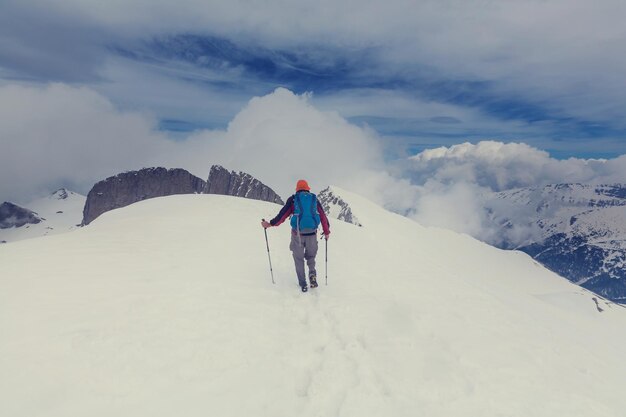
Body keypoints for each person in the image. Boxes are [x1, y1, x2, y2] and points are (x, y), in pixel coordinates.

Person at [262, 180, 330, 292]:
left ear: (297, 189)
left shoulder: (294, 199)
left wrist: (270, 224)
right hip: (312, 234)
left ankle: (303, 283)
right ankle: (312, 275)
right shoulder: (314, 199)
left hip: (297, 234)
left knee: (298, 259)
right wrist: (327, 232)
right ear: (308, 188)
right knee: (311, 257)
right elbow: (323, 217)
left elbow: (282, 215)